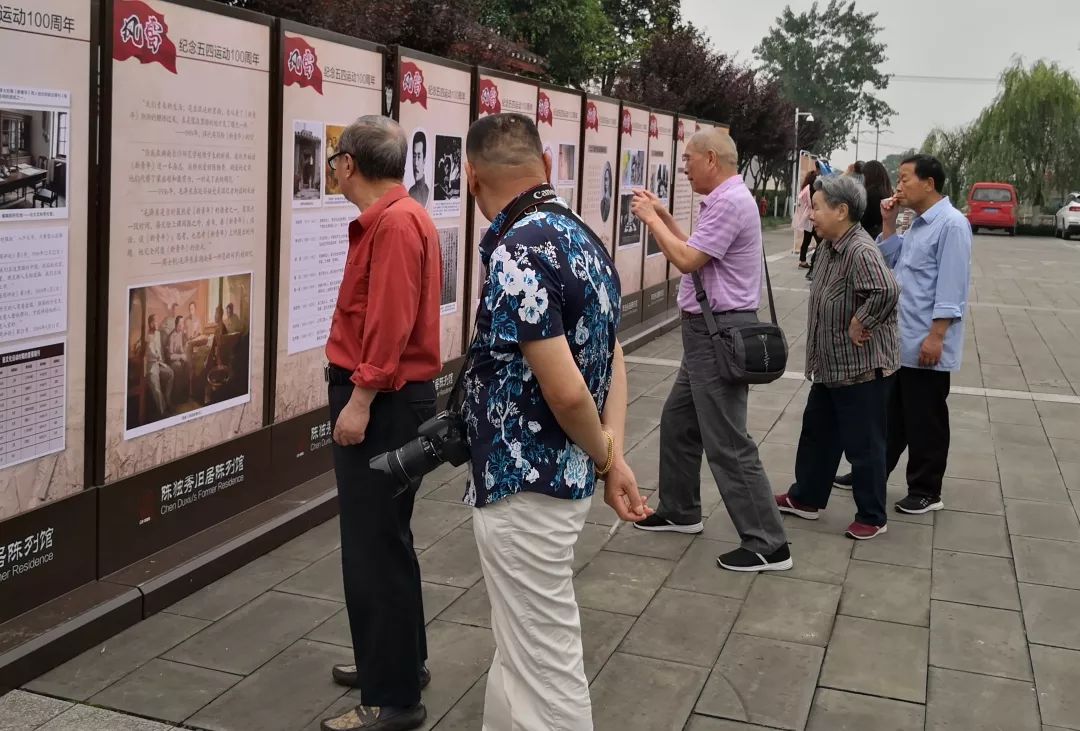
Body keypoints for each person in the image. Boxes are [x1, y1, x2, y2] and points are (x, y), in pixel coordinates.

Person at [462, 112, 649, 730]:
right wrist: (611, 455)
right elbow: (611, 351)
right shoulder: (580, 236)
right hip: (558, 483)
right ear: (544, 165)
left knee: (547, 666)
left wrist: (604, 458)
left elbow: (567, 392)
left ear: (470, 177)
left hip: (525, 490)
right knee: (519, 652)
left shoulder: (518, 250)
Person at [320, 115, 442, 731]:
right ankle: (398, 662)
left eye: (336, 156)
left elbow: (389, 323)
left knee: (372, 549)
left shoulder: (393, 224)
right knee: (389, 541)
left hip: (384, 403)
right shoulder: (405, 214)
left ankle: (391, 699)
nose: (332, 166)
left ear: (349, 165)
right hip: (397, 400)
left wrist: (360, 400)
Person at [629, 128, 792, 573]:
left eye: (688, 159)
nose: (684, 167)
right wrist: (663, 214)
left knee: (727, 442)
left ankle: (768, 542)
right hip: (708, 332)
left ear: (712, 160)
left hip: (716, 332)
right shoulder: (727, 199)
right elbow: (696, 250)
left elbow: (684, 261)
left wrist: (650, 220)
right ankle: (680, 510)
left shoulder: (729, 202)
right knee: (679, 423)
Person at [841, 153, 972, 515]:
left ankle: (927, 489)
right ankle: (872, 471)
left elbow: (951, 287)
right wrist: (888, 224)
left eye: (905, 178)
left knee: (925, 418)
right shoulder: (917, 223)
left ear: (929, 183)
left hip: (926, 340)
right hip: (901, 338)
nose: (899, 185)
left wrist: (937, 336)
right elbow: (892, 264)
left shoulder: (952, 225)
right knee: (891, 416)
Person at [774, 175, 901, 540]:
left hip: (861, 369)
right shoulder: (830, 246)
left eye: (816, 206)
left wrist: (863, 320)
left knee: (864, 445)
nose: (811, 213)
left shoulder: (860, 250)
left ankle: (873, 515)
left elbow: (887, 290)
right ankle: (807, 498)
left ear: (841, 211)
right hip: (830, 366)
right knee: (818, 434)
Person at [143, 314, 173, 418]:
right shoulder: (146, 336)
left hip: (159, 364)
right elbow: (148, 353)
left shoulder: (158, 334)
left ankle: (167, 400)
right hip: (151, 367)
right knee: (156, 388)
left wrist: (162, 361)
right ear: (151, 323)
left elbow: (159, 351)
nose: (157, 323)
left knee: (170, 373)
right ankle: (163, 411)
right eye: (155, 321)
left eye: (157, 321)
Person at [795, 169, 820, 268]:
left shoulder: (805, 188)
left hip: (807, 218)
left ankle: (803, 261)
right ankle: (813, 261)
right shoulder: (812, 189)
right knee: (820, 241)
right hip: (812, 217)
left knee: (807, 240)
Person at [407, 130, 430, 206]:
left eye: (419, 156)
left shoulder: (428, 192)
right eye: (414, 156)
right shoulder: (410, 192)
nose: (416, 163)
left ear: (424, 160)